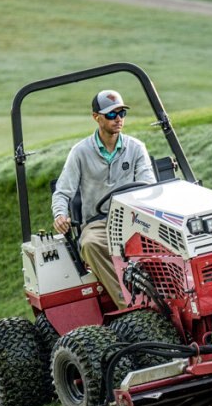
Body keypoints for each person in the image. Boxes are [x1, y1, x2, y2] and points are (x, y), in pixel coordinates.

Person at [51, 89, 156, 306]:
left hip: (134, 218)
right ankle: (130, 304)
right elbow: (62, 192)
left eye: (121, 113)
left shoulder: (136, 148)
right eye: (111, 114)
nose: (118, 119)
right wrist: (60, 215)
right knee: (89, 244)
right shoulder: (80, 152)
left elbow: (148, 186)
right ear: (96, 117)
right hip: (98, 223)